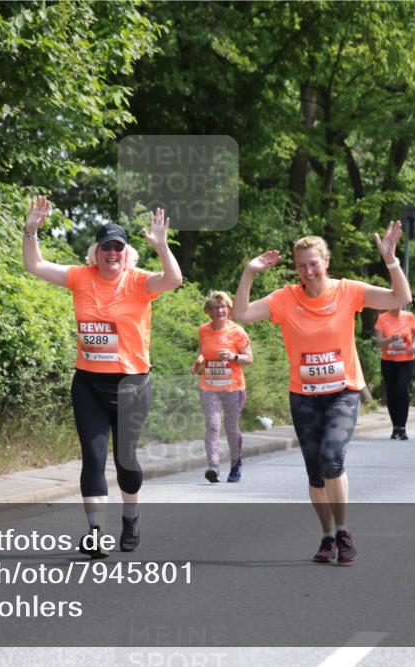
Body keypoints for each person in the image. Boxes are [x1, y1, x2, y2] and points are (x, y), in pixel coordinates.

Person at [233, 221, 411, 565]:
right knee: (315, 473)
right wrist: (248, 273)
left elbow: (401, 298)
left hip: (342, 391)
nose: (308, 271)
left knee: (332, 459)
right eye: (301, 265)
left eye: (314, 263)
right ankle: (327, 535)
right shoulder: (285, 298)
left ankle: (344, 530)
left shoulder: (348, 291)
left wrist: (390, 260)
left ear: (325, 262)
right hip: (304, 396)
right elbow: (241, 314)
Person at [22, 196, 182, 557]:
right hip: (89, 383)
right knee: (93, 458)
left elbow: (173, 279)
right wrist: (31, 230)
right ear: (95, 253)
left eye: (119, 247)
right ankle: (95, 531)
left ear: (128, 254)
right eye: (106, 247)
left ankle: (131, 516)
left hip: (132, 384)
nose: (113, 253)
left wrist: (161, 245)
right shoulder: (80, 277)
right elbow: (35, 265)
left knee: (126, 460)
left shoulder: (140, 281)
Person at [192, 291, 253, 483]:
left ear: (229, 309)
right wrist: (199, 359)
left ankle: (236, 464)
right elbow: (204, 351)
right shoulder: (203, 330)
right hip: (209, 386)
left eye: (223, 306)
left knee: (231, 428)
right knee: (212, 426)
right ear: (209, 311)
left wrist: (234, 356)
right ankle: (214, 467)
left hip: (233, 388)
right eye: (215, 307)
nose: (220, 310)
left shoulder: (238, 331)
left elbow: (249, 359)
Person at [374, 306, 415, 440]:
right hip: (388, 361)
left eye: (400, 302)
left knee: (402, 389)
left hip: (406, 360)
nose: (397, 305)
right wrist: (390, 339)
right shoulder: (382, 318)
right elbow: (379, 343)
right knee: (392, 392)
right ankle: (395, 427)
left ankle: (403, 427)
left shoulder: (409, 316)